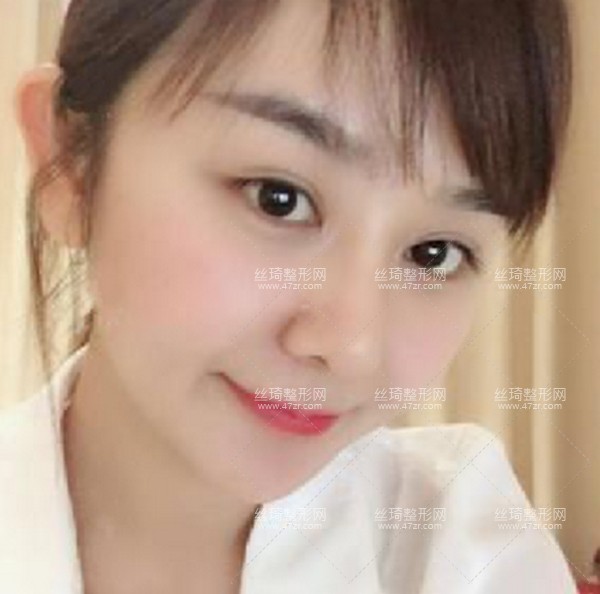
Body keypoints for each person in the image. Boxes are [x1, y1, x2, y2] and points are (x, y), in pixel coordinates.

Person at [3, 0, 576, 592]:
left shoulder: (460, 548)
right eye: (278, 198)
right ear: (69, 164)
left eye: (434, 253)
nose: (350, 347)